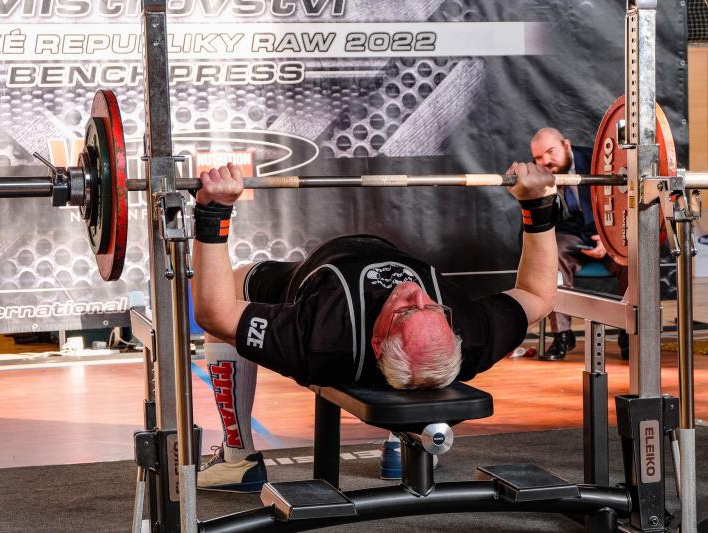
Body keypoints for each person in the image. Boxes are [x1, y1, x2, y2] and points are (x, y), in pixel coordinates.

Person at [190, 160, 559, 491]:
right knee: (417, 365)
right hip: (381, 272)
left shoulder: (321, 339)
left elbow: (214, 313)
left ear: (378, 341)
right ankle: (405, 441)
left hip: (311, 277)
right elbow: (537, 295)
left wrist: (214, 212)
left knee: (234, 285)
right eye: (433, 309)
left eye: (407, 311)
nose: (415, 293)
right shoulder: (471, 335)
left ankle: (238, 459)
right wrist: (537, 207)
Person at [529, 128, 629, 360]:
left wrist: (608, 237)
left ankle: (629, 334)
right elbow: (532, 225)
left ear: (566, 145)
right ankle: (562, 335)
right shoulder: (537, 174)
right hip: (574, 236)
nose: (546, 161)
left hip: (610, 229)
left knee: (633, 256)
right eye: (538, 157)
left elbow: (626, 203)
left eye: (551, 152)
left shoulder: (600, 161)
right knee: (550, 254)